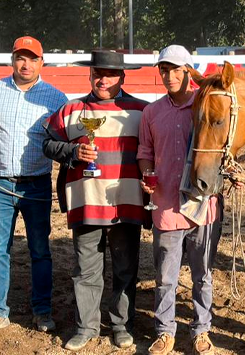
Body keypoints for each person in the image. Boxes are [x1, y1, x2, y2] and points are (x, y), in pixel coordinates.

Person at [42, 50, 148, 351]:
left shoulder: (142, 111)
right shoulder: (71, 110)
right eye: (97, 73)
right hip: (86, 201)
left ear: (122, 76)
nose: (103, 79)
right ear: (89, 75)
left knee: (125, 268)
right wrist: (73, 153)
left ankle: (121, 325)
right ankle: (85, 327)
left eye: (110, 74)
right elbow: (47, 144)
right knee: (85, 269)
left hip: (126, 202)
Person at [0, 36, 68, 336]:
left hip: (36, 185)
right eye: (20, 57)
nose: (25, 64)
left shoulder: (56, 99)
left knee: (40, 250)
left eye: (32, 58)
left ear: (41, 62)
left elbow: (64, 140)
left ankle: (42, 311)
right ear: (12, 60)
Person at [138, 45, 221, 355]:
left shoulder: (206, 106)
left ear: (189, 73)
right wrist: (147, 174)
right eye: (164, 70)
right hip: (166, 206)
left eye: (175, 70)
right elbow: (145, 153)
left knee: (203, 276)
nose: (169, 76)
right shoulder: (151, 112)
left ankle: (201, 330)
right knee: (165, 277)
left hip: (202, 207)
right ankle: (165, 331)